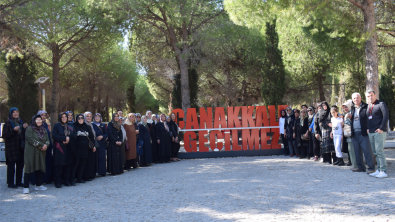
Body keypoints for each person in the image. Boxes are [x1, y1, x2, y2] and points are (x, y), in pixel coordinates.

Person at [22, 115, 50, 194]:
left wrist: (46, 145)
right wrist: (41, 145)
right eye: (37, 120)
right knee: (28, 168)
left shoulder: (43, 129)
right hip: (31, 152)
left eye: (40, 120)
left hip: (41, 152)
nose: (39, 121)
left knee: (40, 166)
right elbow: (30, 139)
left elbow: (47, 140)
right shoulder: (29, 129)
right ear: (34, 121)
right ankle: (26, 187)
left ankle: (38, 185)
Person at [349, 93, 375, 173]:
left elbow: (371, 118)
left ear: (360, 98)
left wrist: (369, 128)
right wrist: (350, 117)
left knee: (367, 151)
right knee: (357, 151)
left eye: (357, 98)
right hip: (354, 132)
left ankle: (371, 168)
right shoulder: (352, 108)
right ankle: (360, 167)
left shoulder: (366, 107)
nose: (355, 100)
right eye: (354, 98)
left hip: (363, 132)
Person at [365, 90, 389, 178]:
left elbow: (386, 116)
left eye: (371, 95)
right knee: (375, 152)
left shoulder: (381, 104)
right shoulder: (369, 106)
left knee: (379, 151)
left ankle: (383, 171)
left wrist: (382, 128)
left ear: (375, 95)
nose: (370, 97)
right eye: (368, 96)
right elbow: (368, 118)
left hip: (379, 131)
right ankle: (378, 170)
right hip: (371, 132)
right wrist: (368, 128)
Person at [3, 107, 27, 188]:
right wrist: (13, 130)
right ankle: (10, 183)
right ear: (11, 113)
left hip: (20, 147)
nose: (16, 114)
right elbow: (5, 135)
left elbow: (23, 135)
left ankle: (18, 181)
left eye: (17, 112)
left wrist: (24, 129)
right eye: (14, 112)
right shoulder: (8, 123)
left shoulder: (20, 122)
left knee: (20, 166)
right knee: (11, 166)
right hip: (11, 148)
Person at [72, 114, 96, 183]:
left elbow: (91, 136)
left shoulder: (86, 126)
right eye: (79, 118)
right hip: (77, 149)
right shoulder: (74, 126)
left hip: (85, 149)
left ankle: (80, 178)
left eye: (81, 118)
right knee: (75, 164)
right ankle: (73, 179)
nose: (80, 119)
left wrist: (93, 145)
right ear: (76, 119)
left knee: (82, 164)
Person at [52, 113, 73, 188]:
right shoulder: (57, 125)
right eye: (62, 117)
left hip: (68, 147)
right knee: (59, 165)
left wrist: (69, 139)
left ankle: (66, 180)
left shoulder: (69, 125)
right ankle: (58, 182)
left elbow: (73, 134)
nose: (64, 118)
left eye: (65, 117)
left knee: (67, 164)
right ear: (60, 118)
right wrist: (64, 138)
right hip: (59, 148)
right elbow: (54, 136)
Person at [37, 110, 54, 184]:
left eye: (45, 115)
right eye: (42, 115)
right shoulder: (36, 124)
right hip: (40, 147)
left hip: (48, 146)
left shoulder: (45, 124)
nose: (43, 117)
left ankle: (47, 179)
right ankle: (41, 180)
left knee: (47, 162)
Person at [82, 112, 97, 181]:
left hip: (92, 145)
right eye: (87, 116)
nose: (89, 118)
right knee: (87, 161)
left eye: (90, 116)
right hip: (86, 146)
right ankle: (86, 176)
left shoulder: (91, 125)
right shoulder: (84, 125)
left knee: (91, 160)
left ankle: (91, 174)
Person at [342, 100, 357, 169]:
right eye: (344, 107)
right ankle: (354, 164)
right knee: (350, 150)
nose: (345, 109)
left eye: (346, 107)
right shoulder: (346, 114)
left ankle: (355, 165)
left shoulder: (352, 113)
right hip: (348, 135)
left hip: (352, 134)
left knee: (353, 150)